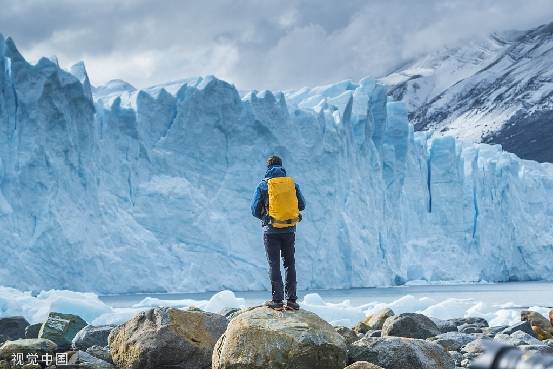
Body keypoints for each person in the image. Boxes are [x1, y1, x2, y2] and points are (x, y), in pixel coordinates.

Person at [250, 155, 306, 310]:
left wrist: (266, 216)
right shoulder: (292, 184)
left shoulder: (263, 185)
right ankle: (292, 301)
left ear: (268, 168)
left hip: (270, 231)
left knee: (273, 264)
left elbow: (254, 209)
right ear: (281, 166)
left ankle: (277, 301)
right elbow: (302, 205)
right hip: (289, 229)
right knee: (289, 263)